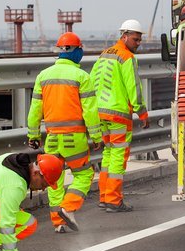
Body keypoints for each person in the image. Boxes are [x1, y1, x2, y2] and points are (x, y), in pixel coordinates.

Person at [27, 31, 102, 232]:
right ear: (76, 51)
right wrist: (96, 136)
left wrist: (33, 135)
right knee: (84, 175)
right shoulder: (82, 76)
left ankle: (58, 223)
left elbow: (35, 110)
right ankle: (68, 208)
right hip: (74, 138)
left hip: (52, 138)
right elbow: (90, 110)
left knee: (53, 179)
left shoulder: (43, 76)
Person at [90, 19, 149, 212]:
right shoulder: (127, 57)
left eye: (139, 40)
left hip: (100, 113)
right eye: (135, 39)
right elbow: (134, 87)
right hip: (118, 115)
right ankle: (114, 201)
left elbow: (92, 82)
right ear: (124, 36)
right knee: (117, 156)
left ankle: (104, 197)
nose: (138, 43)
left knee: (108, 154)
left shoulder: (104, 54)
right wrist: (142, 112)